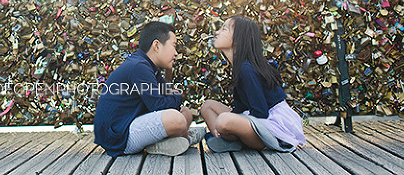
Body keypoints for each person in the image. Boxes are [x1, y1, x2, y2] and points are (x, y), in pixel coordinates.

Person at [94, 21, 204, 157]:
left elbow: (164, 97)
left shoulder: (149, 66)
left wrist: (172, 93)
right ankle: (188, 138)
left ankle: (168, 142)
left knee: (185, 112)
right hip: (119, 136)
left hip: (130, 125)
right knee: (177, 119)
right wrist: (178, 96)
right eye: (174, 46)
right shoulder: (139, 66)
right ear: (157, 46)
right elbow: (159, 105)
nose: (176, 53)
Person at [199, 15, 306, 153]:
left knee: (224, 121)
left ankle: (232, 140)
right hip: (258, 120)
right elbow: (240, 108)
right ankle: (226, 141)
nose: (217, 32)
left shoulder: (247, 69)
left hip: (274, 125)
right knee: (208, 106)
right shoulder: (239, 67)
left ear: (238, 39)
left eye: (224, 29)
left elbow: (260, 112)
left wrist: (233, 123)